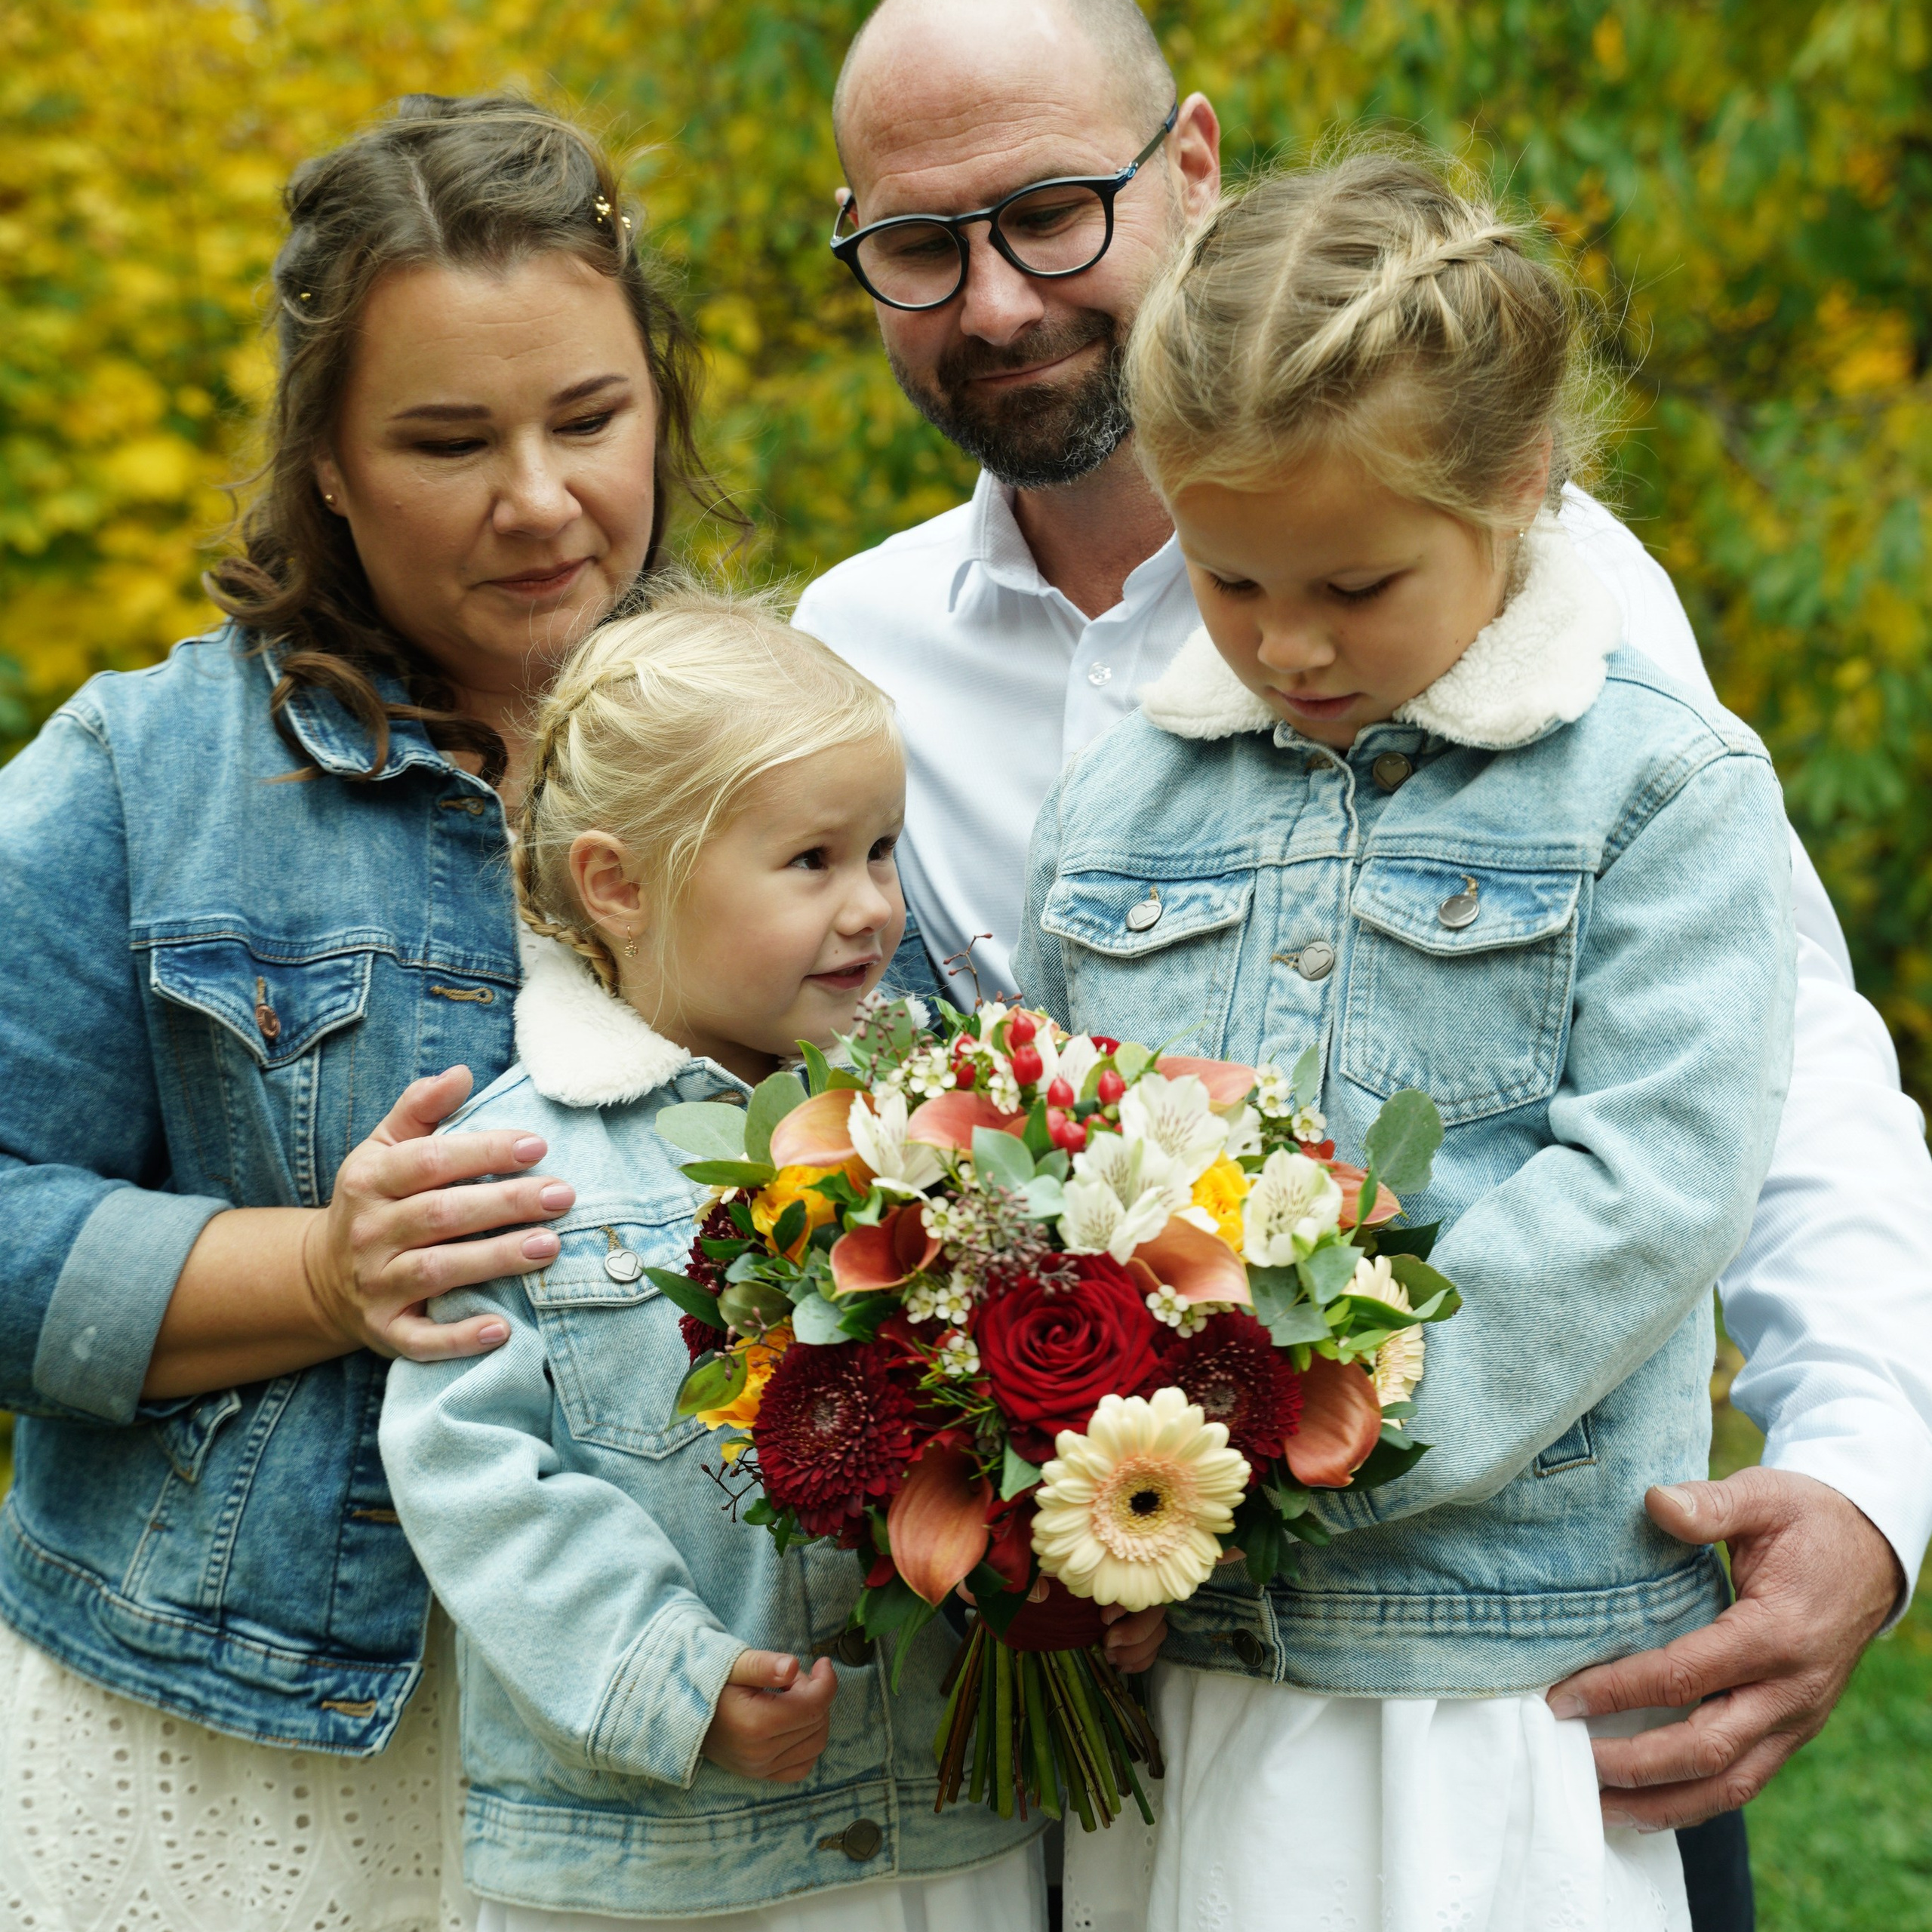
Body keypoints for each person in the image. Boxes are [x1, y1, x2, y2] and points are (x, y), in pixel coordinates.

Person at [794, 4, 1932, 1921]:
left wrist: (1867, 1469)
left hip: (1513, 1651)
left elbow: (1755, 1084)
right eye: (919, 245)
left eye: (1052, 211)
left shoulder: (1581, 626)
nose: (993, 300)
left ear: (1192, 160)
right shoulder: (855, 649)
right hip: (1146, 1674)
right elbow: (988, 1134)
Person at [1015, 148, 1793, 1930]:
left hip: (1494, 1691)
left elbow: (1643, 1194)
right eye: (1225, 581)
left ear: (1515, 487)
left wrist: (1272, 1455)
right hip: (1182, 1677)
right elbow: (1051, 1174)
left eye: (1353, 586)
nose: (1288, 644)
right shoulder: (1114, 802)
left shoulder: (1653, 789)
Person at [0, 96, 722, 1931]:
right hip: (246, 1747)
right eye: (444, 439)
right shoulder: (144, 769)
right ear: (324, 458)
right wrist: (319, 1274)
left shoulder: (793, 735)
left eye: (589, 417)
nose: (541, 499)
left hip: (692, 1741)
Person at [377, 590, 1162, 1928]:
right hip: (664, 1862)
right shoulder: (516, 1166)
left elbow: (1018, 1437)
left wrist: (1088, 1585)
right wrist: (662, 1680)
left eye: (883, 850)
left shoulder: (951, 1119)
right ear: (618, 885)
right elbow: (471, 1473)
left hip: (945, 1830)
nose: (871, 906)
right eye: (811, 862)